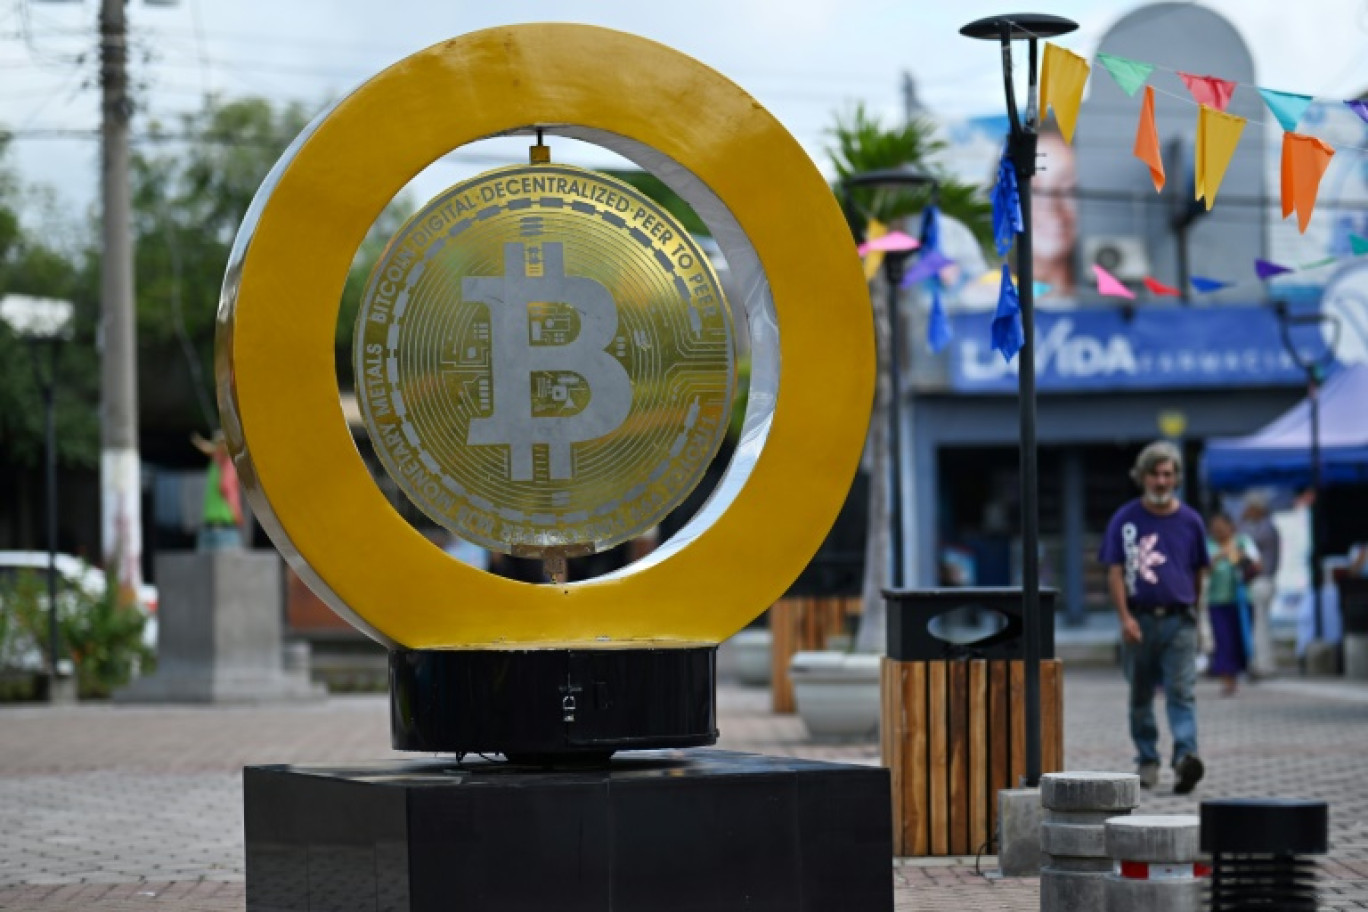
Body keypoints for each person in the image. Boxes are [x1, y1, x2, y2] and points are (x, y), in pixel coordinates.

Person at [1099, 440, 1209, 794]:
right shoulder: (1126, 518)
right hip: (1139, 620)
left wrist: (1196, 613)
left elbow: (1198, 571)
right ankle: (1147, 760)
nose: (1161, 481)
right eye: (1154, 474)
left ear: (1176, 478)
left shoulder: (1191, 521)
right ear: (1142, 477)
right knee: (1140, 694)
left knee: (1182, 692)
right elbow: (1114, 571)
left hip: (1180, 620)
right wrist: (1124, 617)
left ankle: (1184, 759)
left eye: (1167, 474)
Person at [1205, 512, 1261, 696]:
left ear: (1231, 527)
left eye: (1222, 527)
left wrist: (1238, 556)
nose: (1219, 531)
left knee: (1240, 639)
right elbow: (1203, 569)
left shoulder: (1242, 541)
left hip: (1242, 601)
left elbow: (1257, 565)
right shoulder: (1209, 545)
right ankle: (1227, 679)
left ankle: (1238, 674)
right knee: (1223, 640)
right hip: (1217, 601)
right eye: (1215, 528)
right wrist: (1220, 555)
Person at [1239, 494, 1281, 677]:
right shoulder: (1266, 527)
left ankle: (1265, 664)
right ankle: (1262, 661)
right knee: (1259, 624)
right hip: (1261, 581)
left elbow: (1246, 542)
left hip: (1262, 580)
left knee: (1260, 625)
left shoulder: (1265, 528)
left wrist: (1242, 521)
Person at [192, 430, 243, 550]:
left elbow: (210, 450)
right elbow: (226, 487)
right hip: (226, 525)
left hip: (210, 525)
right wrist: (237, 514)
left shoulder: (215, 463)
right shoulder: (227, 464)